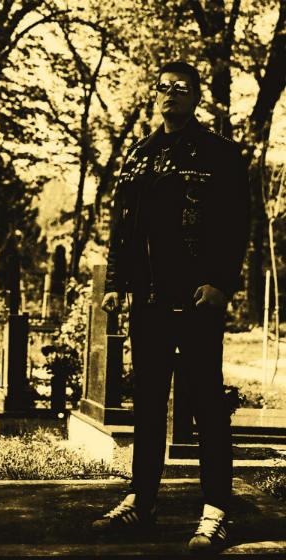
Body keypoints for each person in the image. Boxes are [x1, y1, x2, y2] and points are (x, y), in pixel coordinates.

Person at [92, 61, 250, 554]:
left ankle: (216, 510)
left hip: (197, 299)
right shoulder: (140, 154)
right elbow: (121, 224)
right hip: (149, 300)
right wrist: (116, 283)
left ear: (196, 98)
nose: (170, 94)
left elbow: (237, 222)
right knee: (148, 403)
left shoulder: (219, 154)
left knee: (206, 404)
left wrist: (221, 283)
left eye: (180, 88)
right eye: (163, 87)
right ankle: (141, 501)